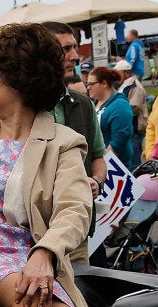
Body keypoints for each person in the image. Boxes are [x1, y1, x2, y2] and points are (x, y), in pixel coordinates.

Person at [0, 22, 90, 307]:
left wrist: (45, 252)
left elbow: (75, 209)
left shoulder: (63, 142)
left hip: (30, 256)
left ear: (15, 75)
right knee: (35, 300)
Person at [41, 21, 108, 267]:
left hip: (75, 233)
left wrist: (96, 182)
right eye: (66, 49)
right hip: (31, 232)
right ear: (43, 53)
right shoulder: (16, 103)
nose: (75, 56)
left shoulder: (83, 104)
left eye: (75, 48)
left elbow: (98, 158)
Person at [88, 66, 134, 169]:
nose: (88, 87)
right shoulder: (95, 104)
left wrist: (101, 166)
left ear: (104, 83)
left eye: (91, 84)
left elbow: (118, 141)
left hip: (116, 169)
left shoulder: (120, 105)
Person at [114, 60, 148, 170]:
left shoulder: (135, 86)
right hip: (129, 128)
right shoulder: (125, 85)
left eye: (118, 73)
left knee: (134, 161)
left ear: (126, 73)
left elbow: (134, 107)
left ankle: (137, 181)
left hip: (135, 128)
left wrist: (119, 114)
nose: (115, 75)